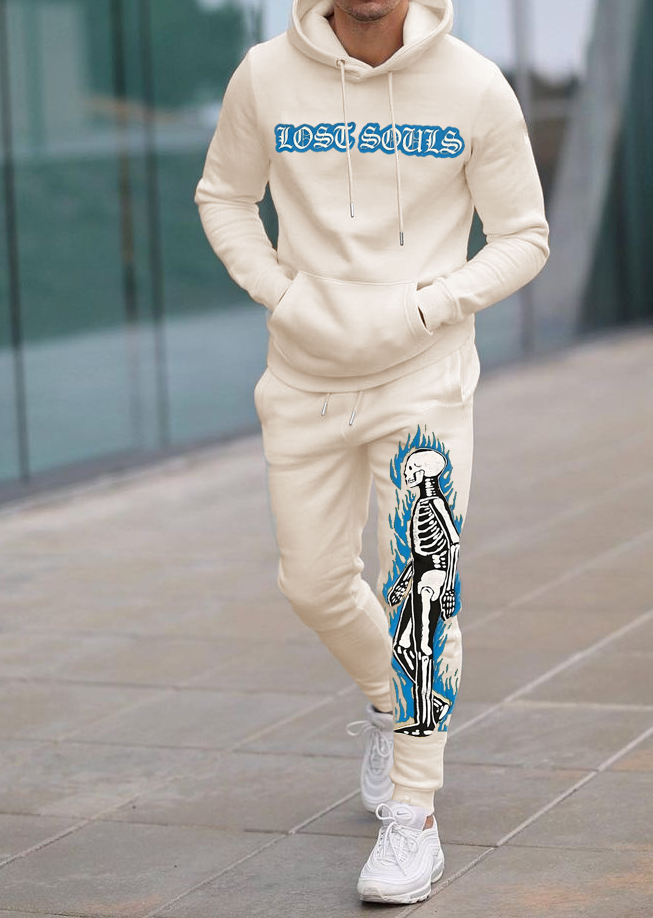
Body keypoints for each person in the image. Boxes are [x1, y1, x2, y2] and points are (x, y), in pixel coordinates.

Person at [194, 0, 548, 904]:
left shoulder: (474, 85)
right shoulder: (264, 76)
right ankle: (394, 703)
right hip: (304, 377)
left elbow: (524, 237)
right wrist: (283, 295)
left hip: (422, 380)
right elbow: (224, 197)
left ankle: (414, 816)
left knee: (422, 588)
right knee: (311, 584)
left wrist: (430, 307)